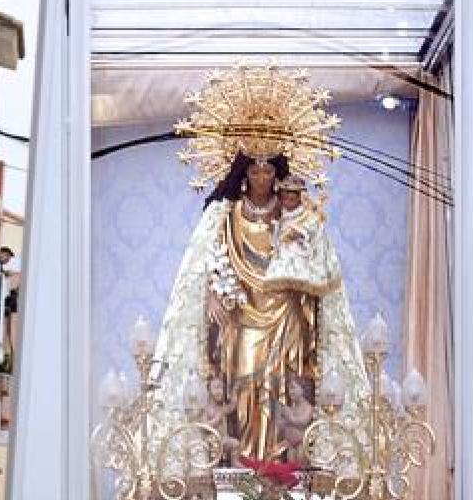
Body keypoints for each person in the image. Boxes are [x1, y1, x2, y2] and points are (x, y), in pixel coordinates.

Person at [153, 149, 367, 464]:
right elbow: (209, 260)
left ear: (278, 174)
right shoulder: (226, 215)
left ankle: (281, 465)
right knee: (245, 379)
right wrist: (213, 292)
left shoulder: (294, 216)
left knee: (284, 385)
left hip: (286, 312)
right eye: (255, 172)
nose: (262, 179)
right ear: (244, 173)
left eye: (268, 172)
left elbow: (316, 264)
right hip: (241, 314)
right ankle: (244, 463)